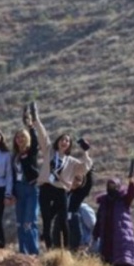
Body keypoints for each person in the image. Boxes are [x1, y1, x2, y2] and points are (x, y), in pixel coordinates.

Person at [33, 103, 93, 251]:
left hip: (60, 190)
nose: (64, 142)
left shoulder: (71, 162)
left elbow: (85, 168)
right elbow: (43, 135)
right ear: (58, 141)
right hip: (46, 187)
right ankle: (48, 248)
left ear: (69, 145)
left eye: (67, 140)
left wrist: (86, 152)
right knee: (46, 219)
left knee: (63, 219)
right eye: (62, 139)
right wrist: (36, 119)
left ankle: (64, 250)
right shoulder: (49, 152)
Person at [93, 177, 134, 266]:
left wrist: (131, 181)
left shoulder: (124, 199)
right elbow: (99, 219)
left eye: (114, 186)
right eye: (109, 186)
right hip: (106, 240)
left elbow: (132, 192)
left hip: (121, 239)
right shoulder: (104, 202)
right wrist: (95, 235)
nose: (111, 188)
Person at [11, 116, 40, 255]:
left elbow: (35, 143)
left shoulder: (31, 152)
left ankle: (34, 252)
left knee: (29, 222)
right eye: (18, 137)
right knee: (20, 223)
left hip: (31, 189)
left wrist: (31, 127)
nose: (20, 139)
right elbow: (12, 175)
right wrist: (12, 193)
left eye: (23, 137)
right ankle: (23, 252)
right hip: (18, 190)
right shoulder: (14, 156)